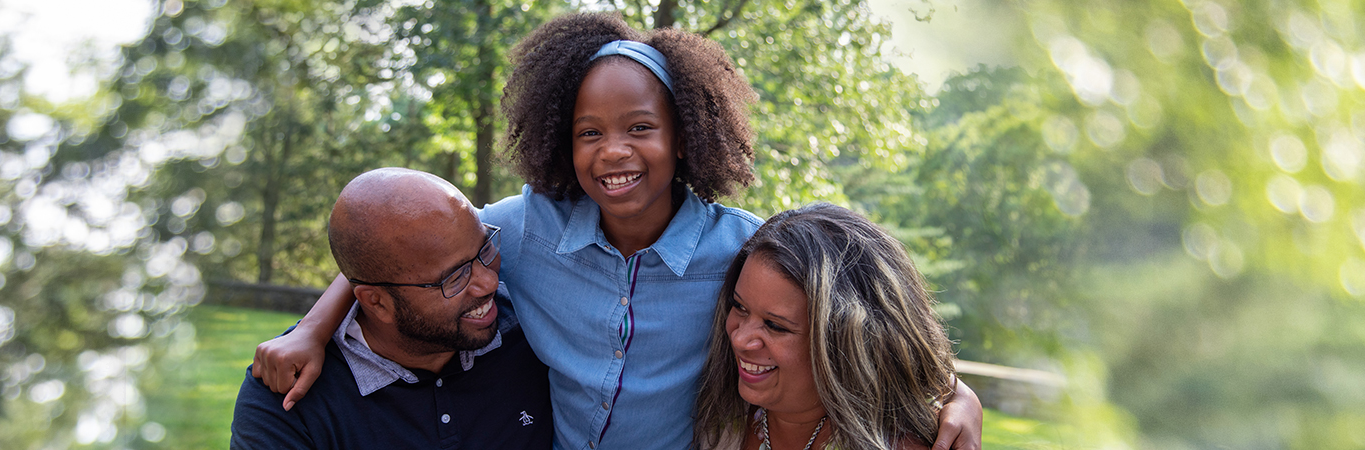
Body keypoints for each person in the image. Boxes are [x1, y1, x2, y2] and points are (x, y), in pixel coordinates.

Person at [251, 13, 983, 449]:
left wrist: (955, 390)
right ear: (560, 143)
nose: (613, 151)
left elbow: (857, 317)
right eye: (588, 132)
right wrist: (313, 330)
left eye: (641, 128)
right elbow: (403, 247)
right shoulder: (523, 229)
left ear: (689, 136)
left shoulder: (746, 251)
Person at [230, 168, 552, 449]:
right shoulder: (288, 395)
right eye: (454, 278)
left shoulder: (532, 324)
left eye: (484, 248)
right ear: (376, 302)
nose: (488, 283)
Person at [694, 203, 973, 450]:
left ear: (846, 340)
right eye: (740, 306)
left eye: (774, 326)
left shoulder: (902, 443)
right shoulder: (721, 414)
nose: (741, 339)